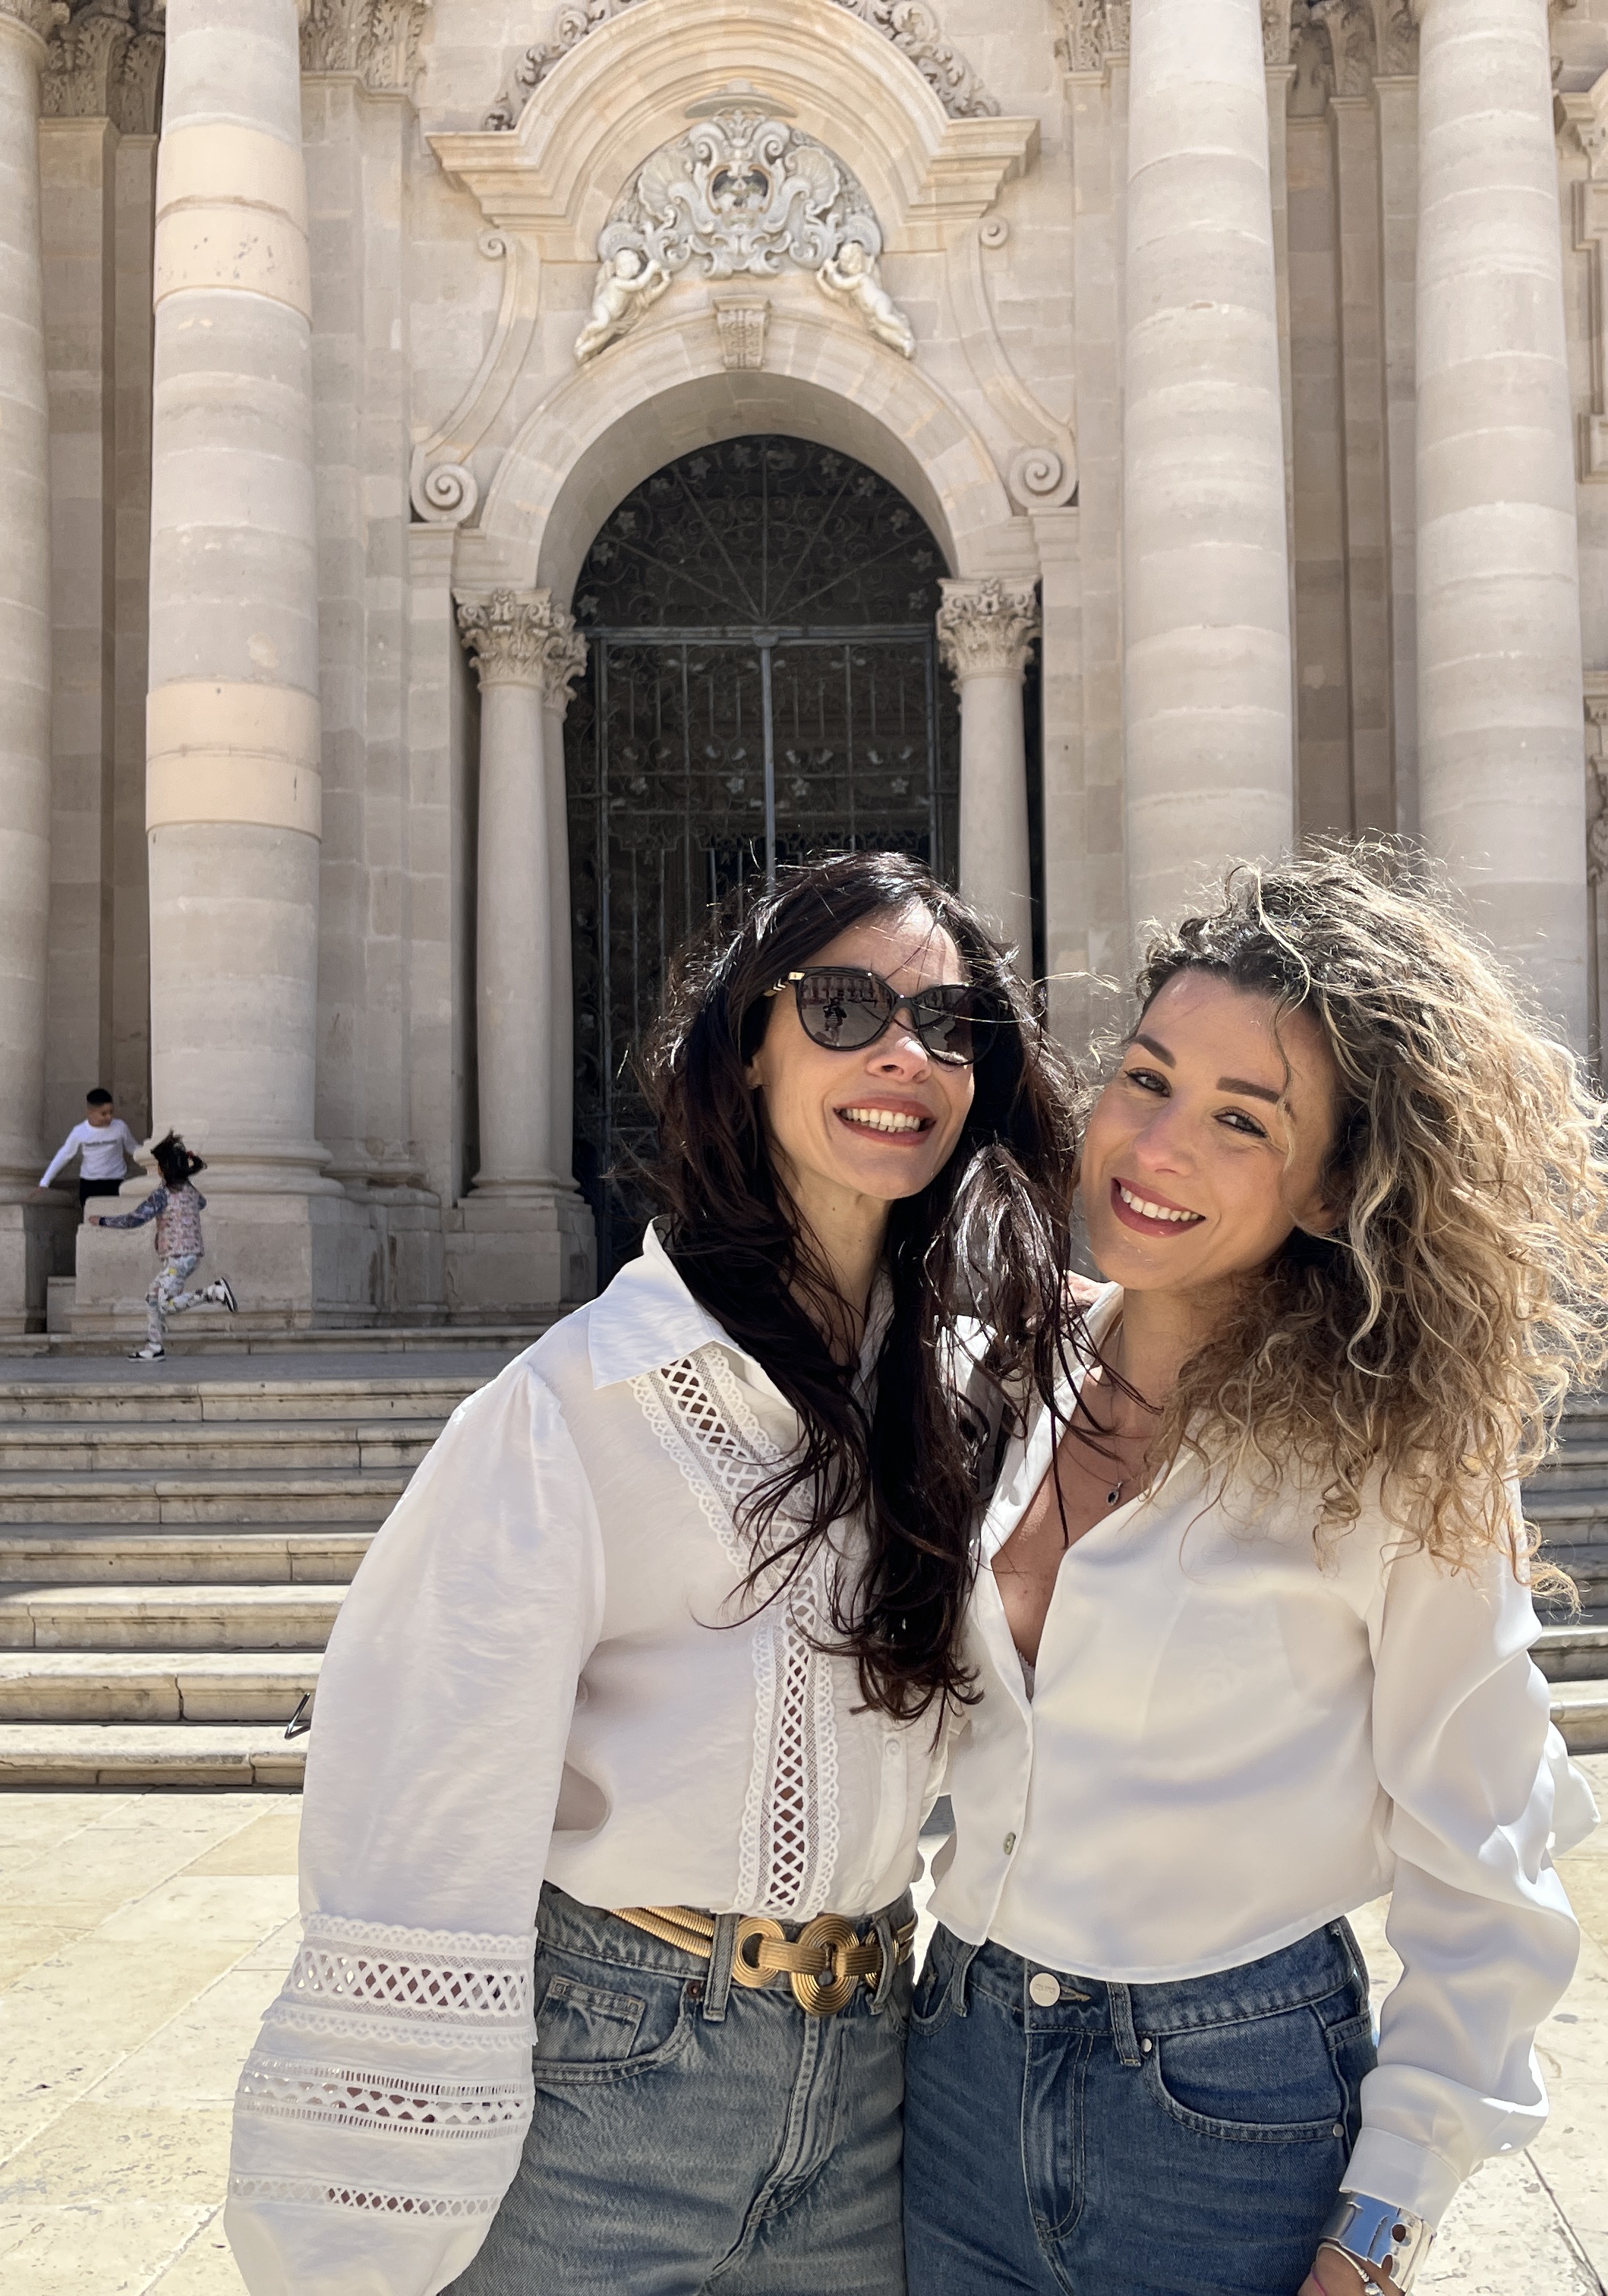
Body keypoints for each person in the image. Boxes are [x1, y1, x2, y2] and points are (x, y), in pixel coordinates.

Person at [223, 851, 1083, 2296]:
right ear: (749, 1046)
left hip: (874, 2086)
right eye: (844, 1006)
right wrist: (360, 2225)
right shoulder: (575, 1404)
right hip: (614, 2075)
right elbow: (421, 1792)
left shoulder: (962, 1387)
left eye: (948, 1024)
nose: (904, 1053)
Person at [905, 847, 1608, 2296]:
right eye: (1145, 1077)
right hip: (958, 2069)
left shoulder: (1395, 1461)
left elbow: (1488, 1862)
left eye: (1241, 1118)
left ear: (1333, 1187)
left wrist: (1379, 2227)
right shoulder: (1000, 1369)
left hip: (1225, 2104)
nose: (1155, 1144)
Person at [92, 1133, 238, 1361]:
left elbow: (135, 1219)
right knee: (153, 1295)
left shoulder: (162, 1195)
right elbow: (201, 1203)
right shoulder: (190, 1191)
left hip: (180, 1257)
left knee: (166, 1305)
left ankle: (214, 1293)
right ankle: (154, 1346)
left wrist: (103, 1221)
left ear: (164, 1169)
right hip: (187, 1255)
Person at [40, 1087, 143, 1211]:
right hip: (90, 1184)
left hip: (115, 1182)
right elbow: (65, 1155)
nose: (109, 1117)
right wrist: (45, 1182)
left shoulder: (120, 1127)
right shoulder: (79, 1131)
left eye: (111, 1112)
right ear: (90, 1112)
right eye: (103, 1114)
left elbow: (133, 1148)